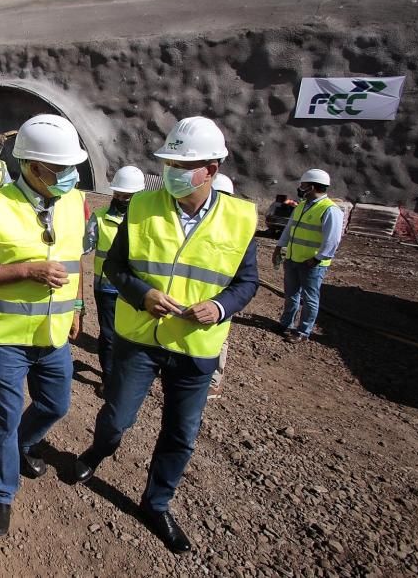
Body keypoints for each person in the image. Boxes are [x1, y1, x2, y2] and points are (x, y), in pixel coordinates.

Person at [73, 117, 258, 554]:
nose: (172, 170)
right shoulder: (141, 207)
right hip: (140, 338)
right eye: (169, 161)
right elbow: (115, 268)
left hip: (195, 349)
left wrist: (220, 307)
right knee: (117, 418)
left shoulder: (241, 217)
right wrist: (142, 294)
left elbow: (247, 283)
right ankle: (98, 452)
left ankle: (156, 504)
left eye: (183, 163)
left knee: (180, 434)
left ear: (212, 168)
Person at [0, 114, 87, 536]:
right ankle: (2, 491)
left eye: (73, 168)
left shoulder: (71, 203)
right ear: (33, 168)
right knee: (4, 416)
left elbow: (75, 262)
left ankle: (19, 448)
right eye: (62, 169)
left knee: (56, 405)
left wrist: (77, 308)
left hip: (53, 336)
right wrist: (27, 271)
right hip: (7, 339)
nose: (71, 176)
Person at [84, 165, 145, 393]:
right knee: (109, 336)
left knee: (133, 337)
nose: (120, 199)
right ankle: (109, 380)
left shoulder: (147, 221)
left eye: (126, 197)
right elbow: (84, 247)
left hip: (136, 290)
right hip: (106, 289)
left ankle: (130, 377)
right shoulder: (99, 218)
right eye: (117, 195)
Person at [274, 168, 342, 344]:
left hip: (312, 263)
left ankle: (303, 331)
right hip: (293, 258)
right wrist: (279, 246)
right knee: (291, 294)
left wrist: (317, 258)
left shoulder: (330, 210)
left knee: (310, 299)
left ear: (311, 187)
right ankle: (286, 323)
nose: (300, 188)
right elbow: (290, 228)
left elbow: (333, 240)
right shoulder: (303, 206)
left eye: (303, 185)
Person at [208, 172, 235, 399]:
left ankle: (214, 381)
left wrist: (223, 304)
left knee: (220, 339)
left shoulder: (236, 227)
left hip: (221, 297)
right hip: (197, 293)